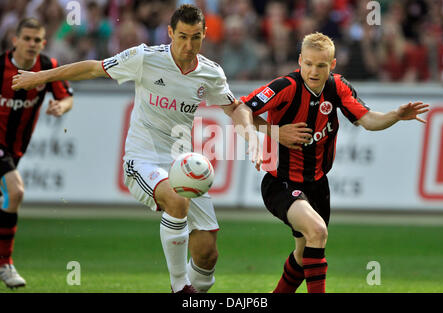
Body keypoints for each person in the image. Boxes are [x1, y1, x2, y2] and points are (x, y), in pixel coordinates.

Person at [12, 5, 261, 293]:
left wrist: (254, 138)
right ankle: (180, 288)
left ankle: (192, 289)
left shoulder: (210, 73)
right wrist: (38, 77)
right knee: (177, 202)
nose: (188, 45)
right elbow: (93, 67)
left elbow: (236, 108)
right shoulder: (145, 58)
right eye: (182, 36)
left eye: (195, 37)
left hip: (181, 164)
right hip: (142, 160)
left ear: (205, 35)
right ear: (170, 33)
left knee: (207, 255)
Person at [241, 32, 429, 293]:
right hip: (280, 182)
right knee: (317, 231)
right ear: (300, 61)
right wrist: (276, 132)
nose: (313, 71)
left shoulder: (338, 87)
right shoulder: (286, 87)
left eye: (321, 65)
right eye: (307, 64)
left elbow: (369, 120)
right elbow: (240, 111)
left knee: (303, 254)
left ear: (332, 65)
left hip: (318, 184)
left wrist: (395, 115)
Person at [0, 18, 74, 289]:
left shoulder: (47, 67)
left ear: (43, 42)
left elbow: (67, 97)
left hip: (16, 148)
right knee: (16, 191)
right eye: (27, 38)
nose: (32, 44)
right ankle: (5, 265)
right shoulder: (1, 67)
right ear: (15, 39)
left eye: (37, 40)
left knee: (8, 197)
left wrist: (60, 108)